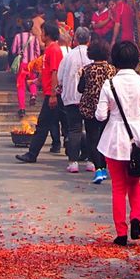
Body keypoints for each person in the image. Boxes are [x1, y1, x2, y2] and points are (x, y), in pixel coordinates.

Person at [95, 40, 140, 245]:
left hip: (115, 137)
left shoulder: (109, 83)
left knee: (118, 187)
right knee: (135, 182)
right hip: (139, 136)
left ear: (115, 60)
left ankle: (121, 232)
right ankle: (136, 218)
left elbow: (101, 116)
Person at [16, 22, 65, 163]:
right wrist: (36, 82)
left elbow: (55, 72)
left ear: (48, 35)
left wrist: (54, 95)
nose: (40, 35)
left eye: (42, 32)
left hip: (53, 94)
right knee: (60, 124)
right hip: (50, 92)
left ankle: (32, 154)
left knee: (44, 124)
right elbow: (47, 73)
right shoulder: (49, 50)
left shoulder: (54, 50)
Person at [79, 38, 115, 186]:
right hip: (107, 108)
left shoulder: (87, 69)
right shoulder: (112, 69)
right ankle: (105, 166)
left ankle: (98, 168)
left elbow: (80, 89)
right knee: (106, 138)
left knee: (92, 138)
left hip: (90, 108)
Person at [57, 27, 92, 174]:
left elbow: (60, 76)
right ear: (89, 40)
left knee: (74, 129)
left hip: (72, 98)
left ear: (76, 39)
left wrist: (61, 87)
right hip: (90, 99)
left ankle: (73, 162)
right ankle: (92, 161)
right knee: (91, 130)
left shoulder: (69, 56)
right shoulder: (93, 55)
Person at [11, 19, 42, 117]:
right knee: (32, 81)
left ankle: (22, 108)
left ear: (22, 27)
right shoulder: (34, 38)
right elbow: (38, 52)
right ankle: (33, 94)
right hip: (32, 64)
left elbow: (13, 50)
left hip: (22, 64)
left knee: (21, 86)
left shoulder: (18, 36)